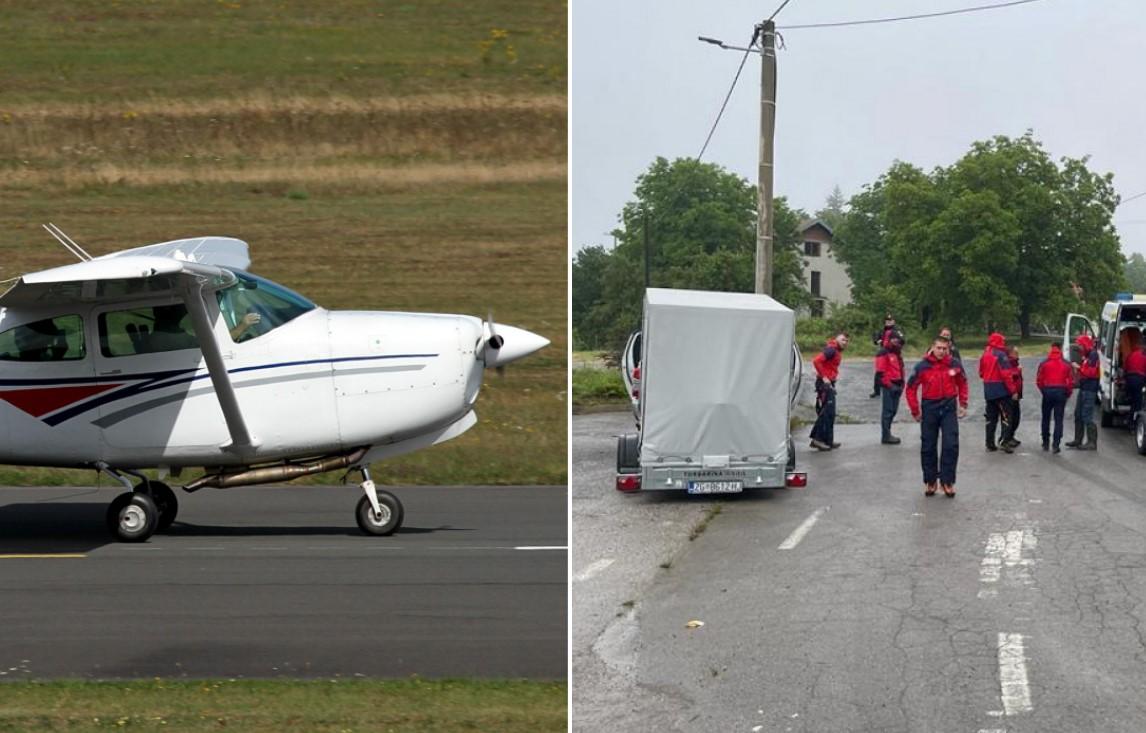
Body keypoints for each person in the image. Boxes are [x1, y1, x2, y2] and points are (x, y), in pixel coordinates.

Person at [906, 336, 969, 497]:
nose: (941, 351)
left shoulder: (954, 364)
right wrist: (915, 409)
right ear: (933, 347)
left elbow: (962, 383)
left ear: (948, 349)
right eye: (939, 348)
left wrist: (963, 403)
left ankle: (947, 481)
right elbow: (911, 388)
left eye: (944, 348)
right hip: (930, 407)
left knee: (951, 444)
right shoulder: (922, 366)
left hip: (948, 406)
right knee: (928, 446)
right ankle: (931, 481)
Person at [979, 332, 1018, 453]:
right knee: (1006, 416)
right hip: (1001, 389)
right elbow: (1006, 374)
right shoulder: (1001, 355)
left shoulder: (985, 354)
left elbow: (981, 373)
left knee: (991, 417)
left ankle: (989, 442)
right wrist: (1013, 390)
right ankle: (1004, 441)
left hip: (988, 389)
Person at [810, 332, 849, 451]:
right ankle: (817, 440)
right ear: (836, 339)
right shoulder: (831, 350)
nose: (845, 342)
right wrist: (824, 377)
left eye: (846, 341)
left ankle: (828, 440)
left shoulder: (835, 350)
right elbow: (816, 361)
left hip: (829, 384)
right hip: (825, 385)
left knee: (830, 413)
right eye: (843, 340)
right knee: (826, 413)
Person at [1036, 342, 1073, 453]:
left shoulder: (1044, 363)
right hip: (1060, 391)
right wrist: (1068, 393)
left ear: (1051, 349)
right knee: (1058, 419)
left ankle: (1045, 442)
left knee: (1046, 418)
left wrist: (1043, 391)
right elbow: (1070, 381)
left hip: (1047, 391)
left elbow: (1039, 380)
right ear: (1060, 349)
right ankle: (1056, 444)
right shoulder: (1066, 364)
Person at [1065, 333, 1100, 450]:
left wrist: (1079, 368)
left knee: (1087, 415)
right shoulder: (1086, 356)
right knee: (1078, 414)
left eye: (1080, 345)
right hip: (1084, 388)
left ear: (1085, 344)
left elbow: (1091, 372)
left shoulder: (1093, 355)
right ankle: (1077, 439)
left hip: (1090, 389)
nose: (1079, 348)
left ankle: (1092, 442)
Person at [876, 332, 905, 444]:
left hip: (898, 384)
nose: (897, 342)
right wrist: (889, 385)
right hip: (889, 385)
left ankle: (887, 433)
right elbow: (880, 373)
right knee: (887, 411)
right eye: (894, 339)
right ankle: (886, 435)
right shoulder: (883, 352)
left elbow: (901, 369)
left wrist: (902, 383)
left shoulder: (897, 353)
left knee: (893, 411)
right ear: (890, 339)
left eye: (898, 340)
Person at [1123, 338, 1146, 420]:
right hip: (1139, 380)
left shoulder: (1132, 354)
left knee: (1133, 400)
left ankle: (1130, 419)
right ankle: (1133, 421)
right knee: (1137, 403)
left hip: (1129, 379)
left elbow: (1125, 368)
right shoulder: (1144, 357)